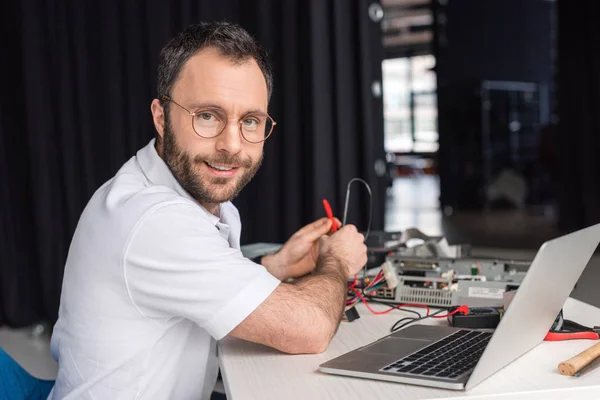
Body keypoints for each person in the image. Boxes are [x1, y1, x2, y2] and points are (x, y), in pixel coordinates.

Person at [49, 21, 367, 399]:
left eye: (250, 121)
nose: (231, 145)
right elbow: (309, 328)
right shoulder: (154, 219)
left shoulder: (191, 199)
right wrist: (338, 262)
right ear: (161, 117)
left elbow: (188, 285)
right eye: (207, 116)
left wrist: (275, 267)